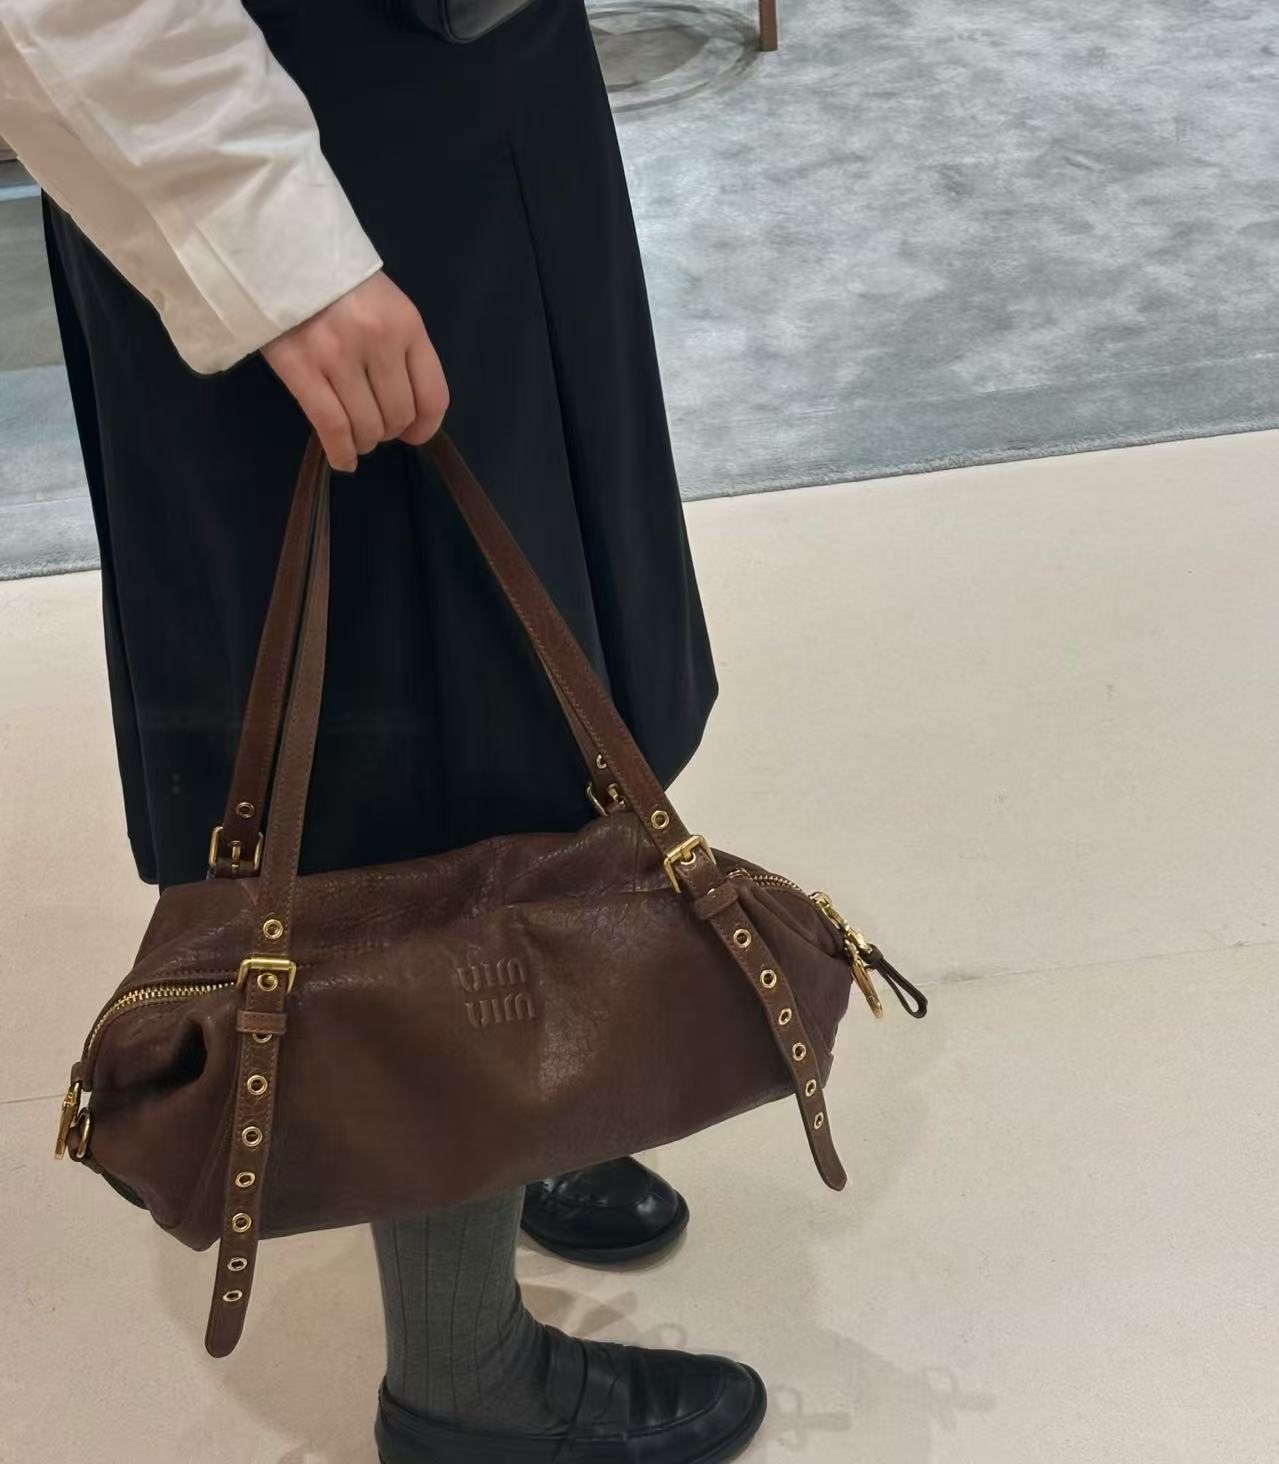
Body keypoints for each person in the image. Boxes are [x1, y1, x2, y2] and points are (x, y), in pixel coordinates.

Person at [0, 1, 767, 1460]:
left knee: (551, 657)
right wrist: (266, 235)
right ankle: (463, 1378)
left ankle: (525, 1092)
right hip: (292, 117)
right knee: (402, 747)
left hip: (496, 89)